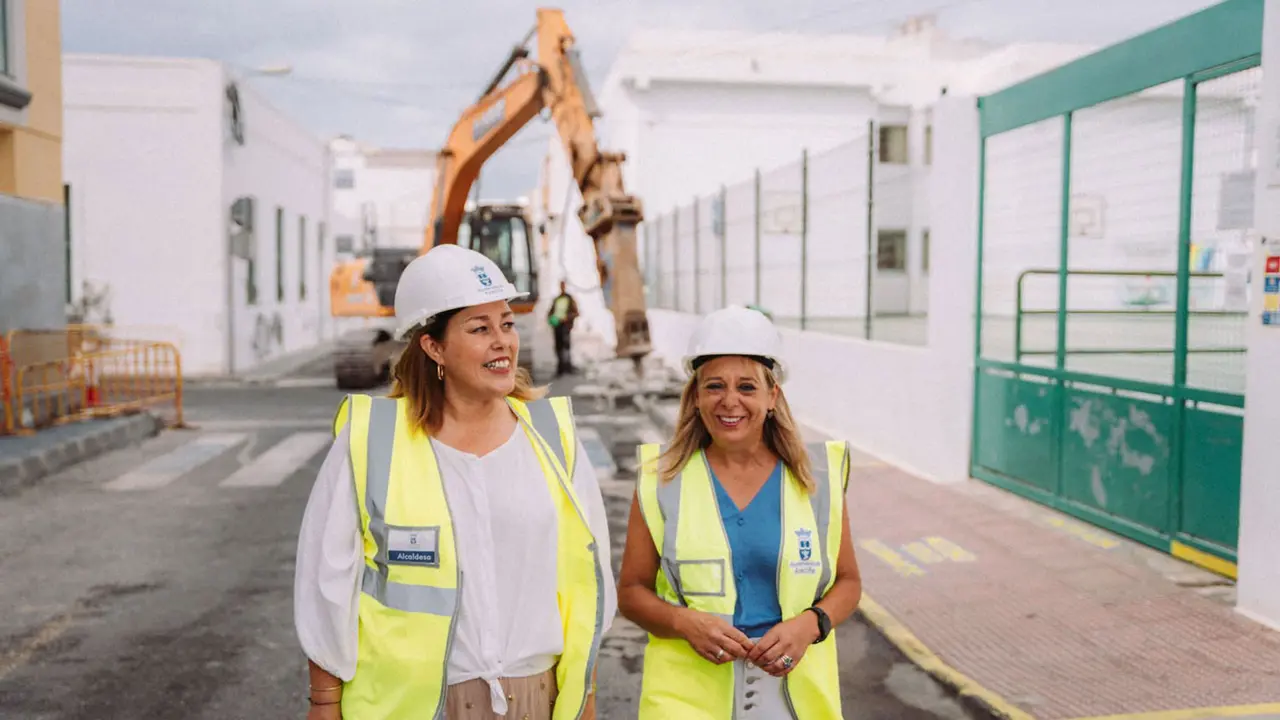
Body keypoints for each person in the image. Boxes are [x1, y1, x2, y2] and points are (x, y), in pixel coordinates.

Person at [294, 244, 616, 720]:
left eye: (506, 324)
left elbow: (589, 584)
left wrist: (585, 697)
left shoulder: (553, 438)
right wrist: (325, 704)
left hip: (536, 699)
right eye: (479, 328)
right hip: (415, 705)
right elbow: (327, 585)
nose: (502, 341)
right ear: (434, 346)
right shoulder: (372, 441)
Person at [616, 305, 862, 719]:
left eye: (747, 387)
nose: (730, 401)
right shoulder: (660, 481)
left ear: (772, 397)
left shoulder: (817, 479)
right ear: (695, 397)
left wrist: (810, 624)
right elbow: (631, 593)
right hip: (687, 704)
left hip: (794, 703)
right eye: (714, 386)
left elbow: (849, 582)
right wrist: (683, 623)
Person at [548, 281, 579, 377]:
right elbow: (551, 312)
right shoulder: (557, 299)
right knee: (558, 347)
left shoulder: (569, 299)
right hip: (557, 325)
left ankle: (567, 367)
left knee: (566, 347)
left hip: (565, 325)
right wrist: (551, 319)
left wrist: (567, 318)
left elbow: (576, 312)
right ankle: (560, 369)